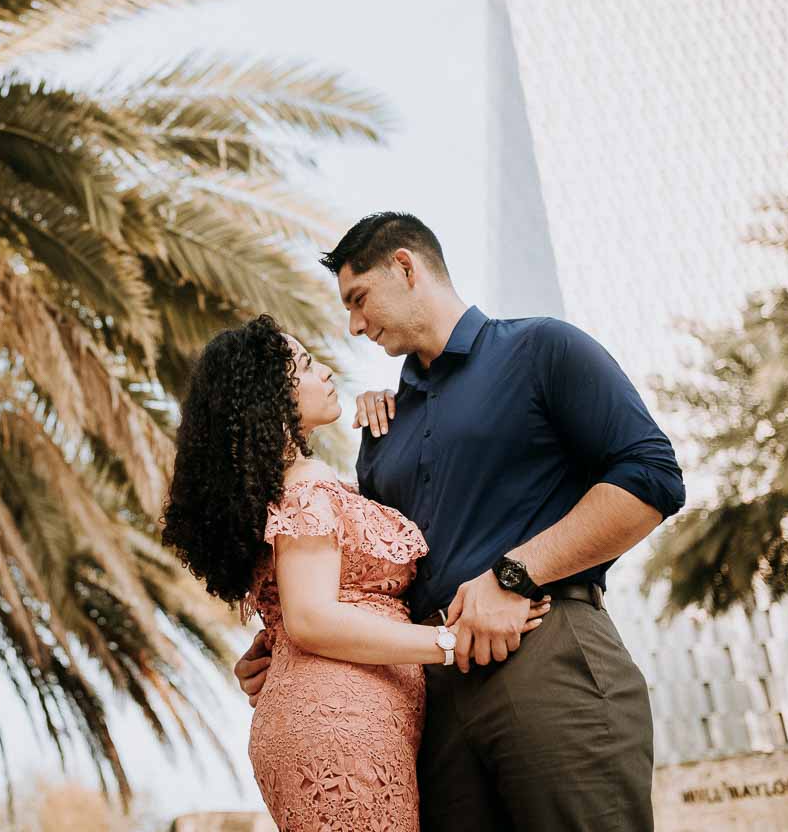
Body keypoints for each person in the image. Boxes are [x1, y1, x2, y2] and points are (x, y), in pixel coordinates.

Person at [232, 212, 686, 831]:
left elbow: (653, 475)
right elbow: (370, 572)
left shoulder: (541, 348)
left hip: (543, 650)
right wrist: (284, 643)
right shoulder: (380, 430)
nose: (354, 325)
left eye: (359, 300)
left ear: (405, 267)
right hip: (430, 695)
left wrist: (515, 574)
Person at [161, 314, 551, 831]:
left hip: (342, 716)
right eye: (304, 365)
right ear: (270, 402)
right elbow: (311, 619)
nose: (325, 371)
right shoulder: (306, 490)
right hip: (339, 726)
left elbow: (299, 612)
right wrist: (448, 642)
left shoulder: (293, 489)